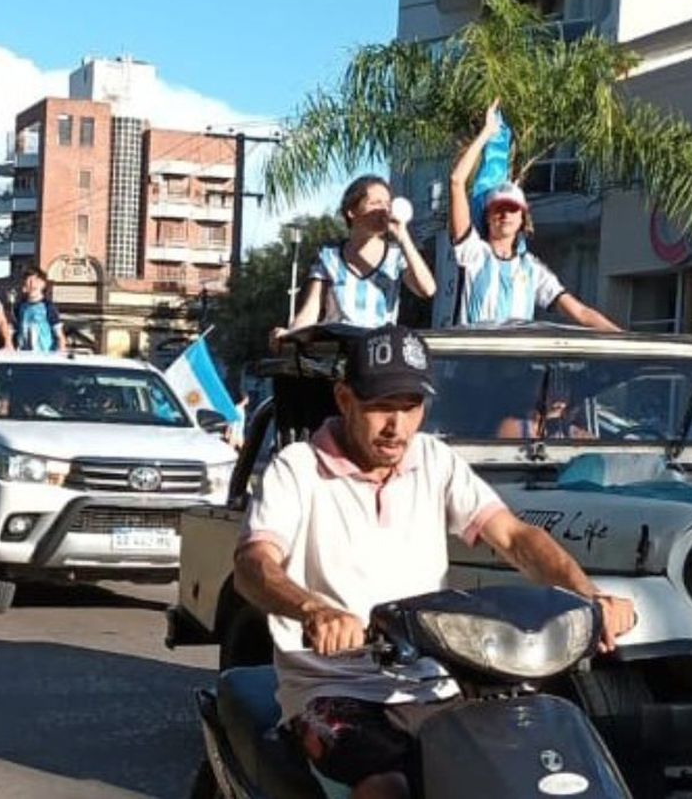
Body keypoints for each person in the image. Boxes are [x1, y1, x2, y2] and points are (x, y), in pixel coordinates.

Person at [234, 325, 636, 799]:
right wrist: (314, 611)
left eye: (411, 408)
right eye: (381, 407)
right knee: (386, 789)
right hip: (334, 689)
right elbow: (254, 562)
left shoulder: (435, 460)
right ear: (344, 399)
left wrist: (589, 596)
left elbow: (515, 536)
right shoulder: (297, 468)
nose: (397, 427)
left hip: (433, 682)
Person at [448, 101, 619, 331]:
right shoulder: (474, 253)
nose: (505, 214)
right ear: (487, 216)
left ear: (522, 218)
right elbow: (456, 181)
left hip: (518, 366)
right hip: (474, 364)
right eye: (498, 209)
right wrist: (487, 133)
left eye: (512, 208)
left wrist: (625, 339)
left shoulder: (531, 269)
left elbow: (580, 312)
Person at [275, 175, 437, 340]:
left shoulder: (396, 257)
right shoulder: (329, 257)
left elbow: (427, 289)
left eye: (388, 204)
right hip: (338, 349)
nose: (383, 210)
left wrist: (403, 237)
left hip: (380, 351)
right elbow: (310, 311)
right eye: (375, 203)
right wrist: (290, 333)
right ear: (351, 211)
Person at [13, 267, 66, 352]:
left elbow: (60, 335)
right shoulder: (19, 307)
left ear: (43, 284)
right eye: (29, 280)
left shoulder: (48, 307)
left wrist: (60, 354)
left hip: (44, 357)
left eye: (36, 280)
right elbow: (12, 331)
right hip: (23, 357)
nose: (32, 283)